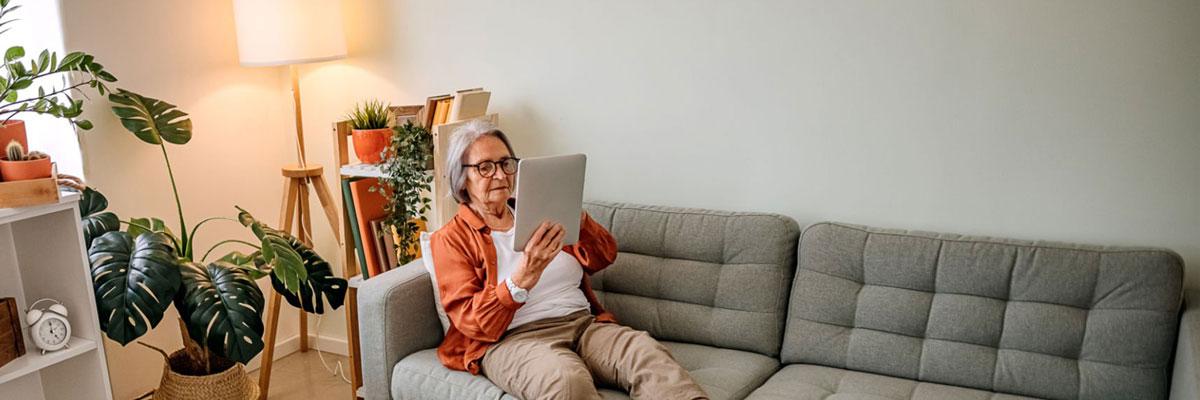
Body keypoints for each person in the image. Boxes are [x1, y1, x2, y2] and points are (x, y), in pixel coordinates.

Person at [429, 120, 709, 400]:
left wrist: (580, 220)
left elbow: (604, 257)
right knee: (565, 381)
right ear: (461, 177)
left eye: (506, 163)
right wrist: (522, 277)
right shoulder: (450, 239)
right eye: (485, 167)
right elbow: (470, 321)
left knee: (645, 353)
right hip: (513, 340)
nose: (500, 175)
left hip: (583, 324)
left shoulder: (540, 211)